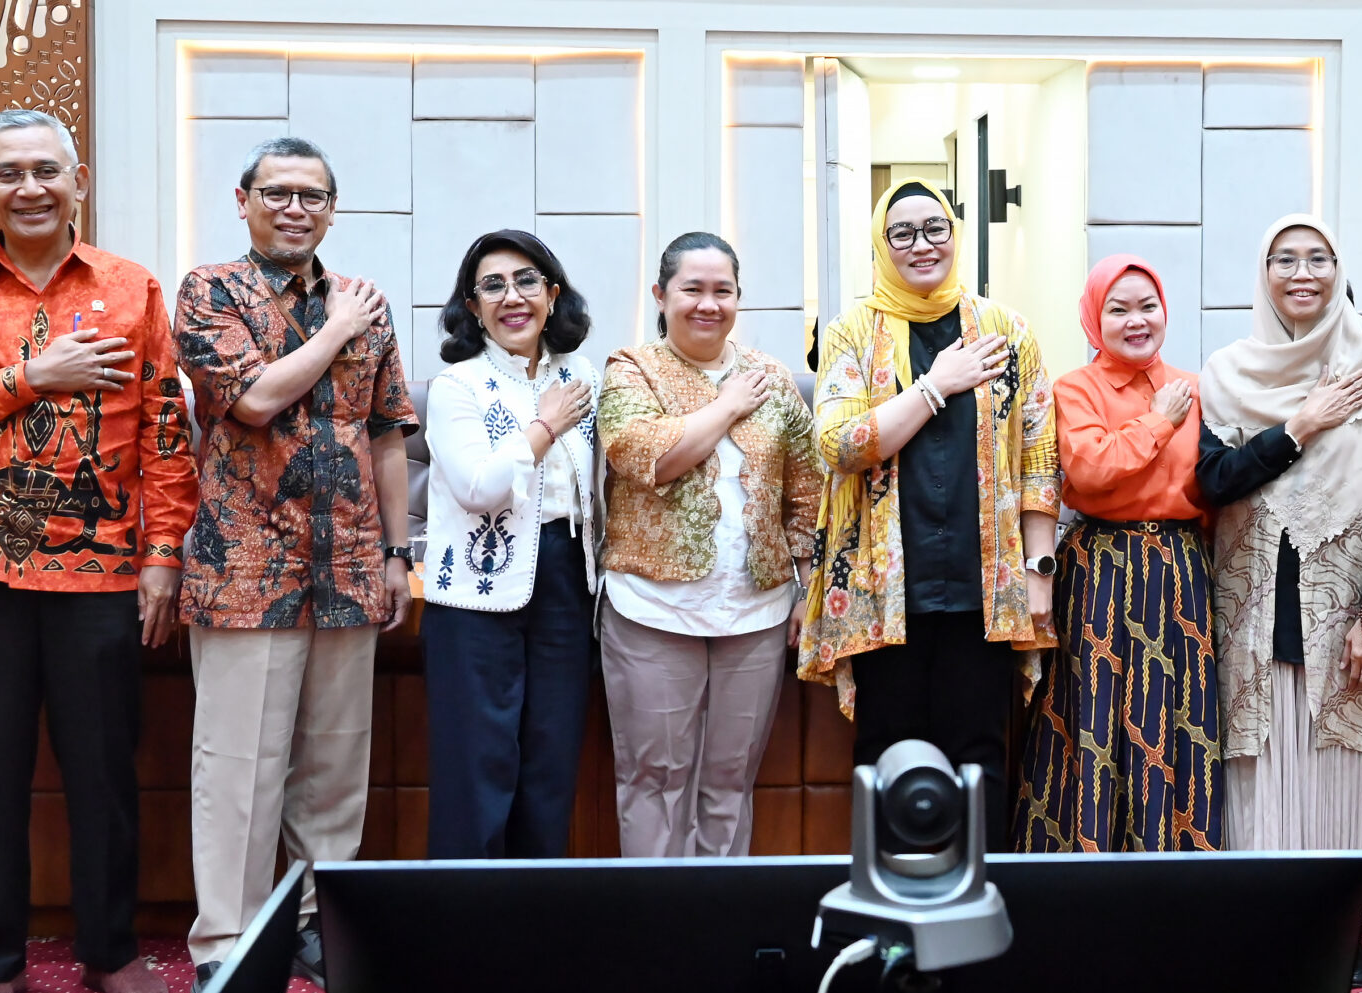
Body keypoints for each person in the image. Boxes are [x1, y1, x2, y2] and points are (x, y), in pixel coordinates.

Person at [0, 108, 196, 993]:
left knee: (105, 771)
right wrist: (38, 374)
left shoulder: (132, 287)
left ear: (79, 180)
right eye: (9, 172)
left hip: (102, 572)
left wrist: (163, 557)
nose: (29, 187)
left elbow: (165, 434)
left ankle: (110, 947)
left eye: (46, 171)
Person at [172, 138, 416, 993]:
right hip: (245, 569)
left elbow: (389, 432)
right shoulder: (211, 291)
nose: (295, 208)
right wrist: (341, 328)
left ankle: (316, 921)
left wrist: (396, 551)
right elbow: (254, 397)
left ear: (331, 208)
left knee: (334, 765)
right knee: (239, 765)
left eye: (313, 195)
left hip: (348, 566)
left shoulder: (366, 305)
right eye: (277, 192)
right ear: (243, 200)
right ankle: (226, 940)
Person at [1199, 219, 1362, 981]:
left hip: (1350, 595)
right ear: (1262, 273)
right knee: (1268, 762)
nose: (1303, 272)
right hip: (1255, 595)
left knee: (1344, 765)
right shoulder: (1227, 371)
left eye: (1318, 257)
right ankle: (1271, 912)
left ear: (1340, 268)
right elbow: (1215, 481)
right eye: (1284, 258)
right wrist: (1299, 426)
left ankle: (1337, 924)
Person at [803, 182, 1058, 848]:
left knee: (980, 756)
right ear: (881, 245)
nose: (922, 245)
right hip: (886, 593)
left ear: (956, 234)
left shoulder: (1006, 331)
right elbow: (839, 443)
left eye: (935, 228)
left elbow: (1038, 457)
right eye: (903, 232)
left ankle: (980, 903)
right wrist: (934, 385)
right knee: (887, 755)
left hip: (983, 590)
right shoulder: (854, 332)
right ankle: (889, 910)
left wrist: (1038, 572)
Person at [597, 233, 820, 857]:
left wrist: (806, 588)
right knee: (653, 781)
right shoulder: (630, 369)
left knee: (729, 783)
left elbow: (806, 493)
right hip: (652, 610)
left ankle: (717, 929)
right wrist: (726, 407)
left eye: (722, 291)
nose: (707, 304)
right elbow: (652, 457)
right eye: (692, 289)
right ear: (661, 295)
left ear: (738, 299)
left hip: (755, 611)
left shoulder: (772, 379)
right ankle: (654, 930)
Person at [1014, 256, 1220, 852]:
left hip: (1180, 569)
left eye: (1147, 306)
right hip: (1103, 566)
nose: (1137, 320)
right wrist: (1158, 423)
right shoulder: (1073, 390)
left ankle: (1175, 863)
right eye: (1118, 308)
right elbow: (1090, 469)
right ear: (1092, 318)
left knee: (1176, 715)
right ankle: (1086, 862)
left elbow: (1212, 486)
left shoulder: (1195, 387)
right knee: (1096, 713)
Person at [421, 229, 602, 859]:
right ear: (472, 307)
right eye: (492, 286)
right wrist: (545, 425)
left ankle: (532, 935)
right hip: (475, 593)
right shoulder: (457, 386)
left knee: (550, 774)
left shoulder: (581, 375)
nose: (512, 297)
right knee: (478, 774)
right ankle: (460, 939)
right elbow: (479, 486)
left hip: (565, 582)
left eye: (527, 280)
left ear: (552, 295)